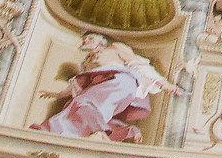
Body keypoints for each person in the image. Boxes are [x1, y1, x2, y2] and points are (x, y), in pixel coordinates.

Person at [32, 32, 175, 141]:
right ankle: (68, 133)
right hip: (104, 88)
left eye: (90, 38)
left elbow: (139, 66)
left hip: (120, 82)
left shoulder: (115, 48)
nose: (86, 40)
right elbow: (80, 85)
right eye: (84, 39)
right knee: (75, 107)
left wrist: (163, 83)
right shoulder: (87, 62)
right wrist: (57, 95)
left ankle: (98, 133)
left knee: (84, 103)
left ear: (101, 41)